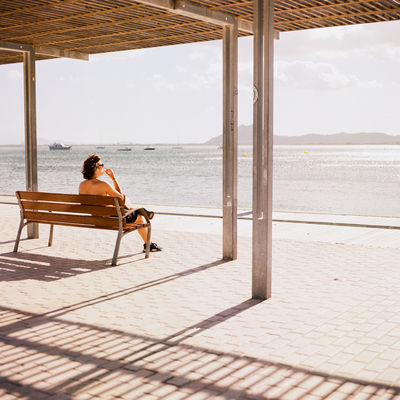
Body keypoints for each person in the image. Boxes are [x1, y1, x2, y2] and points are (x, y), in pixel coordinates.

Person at [79, 153, 162, 252]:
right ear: (96, 168)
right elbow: (121, 198)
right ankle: (148, 244)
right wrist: (114, 179)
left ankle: (138, 211)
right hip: (110, 221)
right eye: (102, 165)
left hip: (95, 220)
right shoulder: (104, 185)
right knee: (138, 218)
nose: (103, 167)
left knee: (130, 210)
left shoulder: (81, 185)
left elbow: (83, 205)